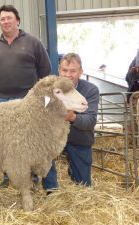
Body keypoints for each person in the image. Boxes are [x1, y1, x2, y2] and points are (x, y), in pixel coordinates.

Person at [0, 4, 54, 192]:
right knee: (5, 142)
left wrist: (41, 100)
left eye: (9, 18)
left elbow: (46, 72)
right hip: (4, 102)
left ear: (18, 20)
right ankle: (7, 176)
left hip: (29, 102)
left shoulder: (33, 42)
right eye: (2, 19)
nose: (6, 21)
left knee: (32, 142)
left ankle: (35, 178)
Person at [45, 53, 99, 187]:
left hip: (78, 138)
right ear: (59, 70)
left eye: (73, 71)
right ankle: (51, 190)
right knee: (42, 152)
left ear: (81, 72)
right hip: (52, 138)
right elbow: (41, 112)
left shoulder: (90, 90)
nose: (68, 75)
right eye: (64, 70)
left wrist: (72, 117)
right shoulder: (48, 88)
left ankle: (75, 171)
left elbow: (90, 121)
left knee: (83, 185)